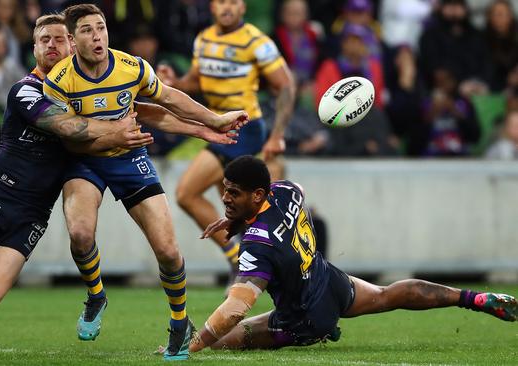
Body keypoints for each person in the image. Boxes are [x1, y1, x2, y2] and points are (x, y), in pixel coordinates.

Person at [0, 14, 238, 364]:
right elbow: (67, 127)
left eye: (59, 39)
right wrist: (117, 131)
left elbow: (143, 108)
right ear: (33, 49)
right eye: (44, 40)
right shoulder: (26, 91)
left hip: (32, 212)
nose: (52, 46)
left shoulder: (85, 86)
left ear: (73, 45)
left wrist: (202, 126)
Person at [42, 4, 248, 361]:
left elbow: (168, 99)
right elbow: (70, 139)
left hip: (130, 158)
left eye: (101, 28)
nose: (97, 37)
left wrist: (213, 122)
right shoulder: (58, 82)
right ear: (73, 42)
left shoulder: (131, 67)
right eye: (88, 31)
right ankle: (96, 296)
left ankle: (180, 323)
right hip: (85, 161)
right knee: (79, 233)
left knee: (168, 251)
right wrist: (116, 134)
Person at [188, 155, 517, 352]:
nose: (226, 198)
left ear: (258, 194)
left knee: (221, 340)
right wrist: (238, 218)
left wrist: (197, 344)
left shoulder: (257, 243)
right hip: (331, 283)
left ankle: (317, 331)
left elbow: (236, 307)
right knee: (389, 295)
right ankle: (474, 299)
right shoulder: (285, 192)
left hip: (303, 318)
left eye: (233, 193)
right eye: (226, 191)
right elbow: (298, 190)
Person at [157, 0, 296, 275]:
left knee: (187, 193)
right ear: (212, 6)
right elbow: (197, 82)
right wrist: (175, 82)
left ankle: (238, 259)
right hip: (218, 128)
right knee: (239, 207)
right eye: (222, 1)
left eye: (233, 2)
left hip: (245, 127)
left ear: (243, 7)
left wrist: (277, 135)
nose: (227, 7)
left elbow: (286, 86)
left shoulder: (255, 41)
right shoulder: (204, 40)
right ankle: (259, 259)